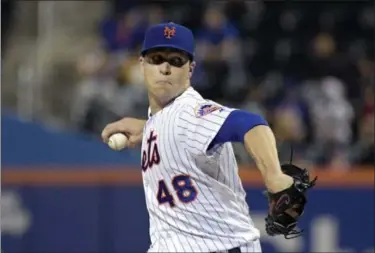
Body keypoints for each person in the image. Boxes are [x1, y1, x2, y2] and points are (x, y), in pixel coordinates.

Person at [102, 22, 294, 253]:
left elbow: (250, 123)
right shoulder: (163, 120)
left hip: (219, 247)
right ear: (141, 65)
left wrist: (273, 175)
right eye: (157, 59)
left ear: (190, 69)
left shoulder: (191, 111)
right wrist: (148, 128)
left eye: (176, 61)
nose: (165, 68)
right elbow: (175, 129)